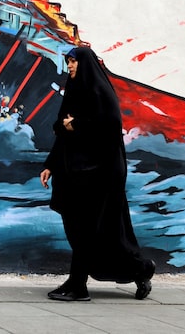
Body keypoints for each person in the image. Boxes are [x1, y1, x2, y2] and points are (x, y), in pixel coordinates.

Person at [39, 46, 155, 301]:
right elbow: (61, 130)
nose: (69, 66)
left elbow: (109, 128)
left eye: (73, 62)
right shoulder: (75, 91)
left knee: (86, 230)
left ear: (85, 65)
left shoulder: (100, 93)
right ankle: (141, 269)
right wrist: (51, 164)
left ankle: (77, 285)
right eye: (68, 62)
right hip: (75, 172)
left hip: (100, 174)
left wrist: (76, 125)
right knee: (86, 231)